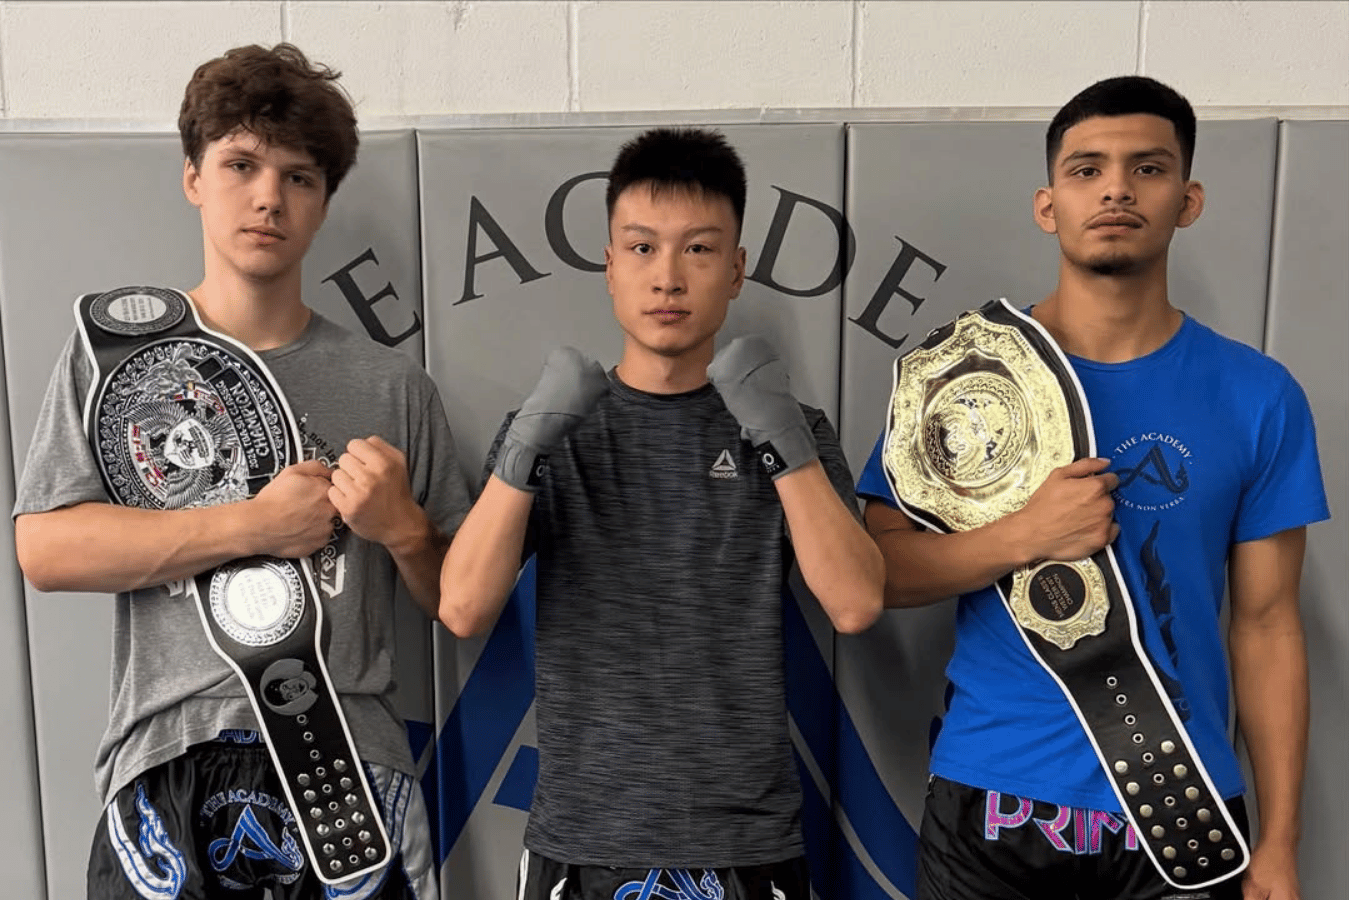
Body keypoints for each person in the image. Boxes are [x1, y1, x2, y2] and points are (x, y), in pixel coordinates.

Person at [13, 43, 469, 899]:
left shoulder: (392, 385)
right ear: (193, 176)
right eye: (241, 164)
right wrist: (253, 526)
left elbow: (460, 602)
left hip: (348, 774)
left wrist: (404, 527)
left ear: (325, 201)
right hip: (168, 759)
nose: (269, 196)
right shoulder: (116, 360)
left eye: (299, 177)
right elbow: (45, 551)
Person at [857, 75, 1328, 900]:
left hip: (1181, 815)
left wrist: (1280, 845)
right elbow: (874, 575)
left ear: (1189, 199)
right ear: (1048, 205)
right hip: (992, 810)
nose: (1115, 187)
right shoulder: (965, 377)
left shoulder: (1259, 395)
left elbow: (1267, 625)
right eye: (1086, 170)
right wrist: (1024, 535)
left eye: (1147, 168)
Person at [439, 127, 884, 899]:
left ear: (737, 269)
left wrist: (780, 440)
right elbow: (463, 607)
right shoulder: (551, 428)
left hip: (746, 840)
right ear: (610, 268)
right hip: (583, 839)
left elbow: (855, 602)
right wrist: (526, 449)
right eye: (641, 249)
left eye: (699, 250)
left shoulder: (792, 427)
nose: (668, 277)